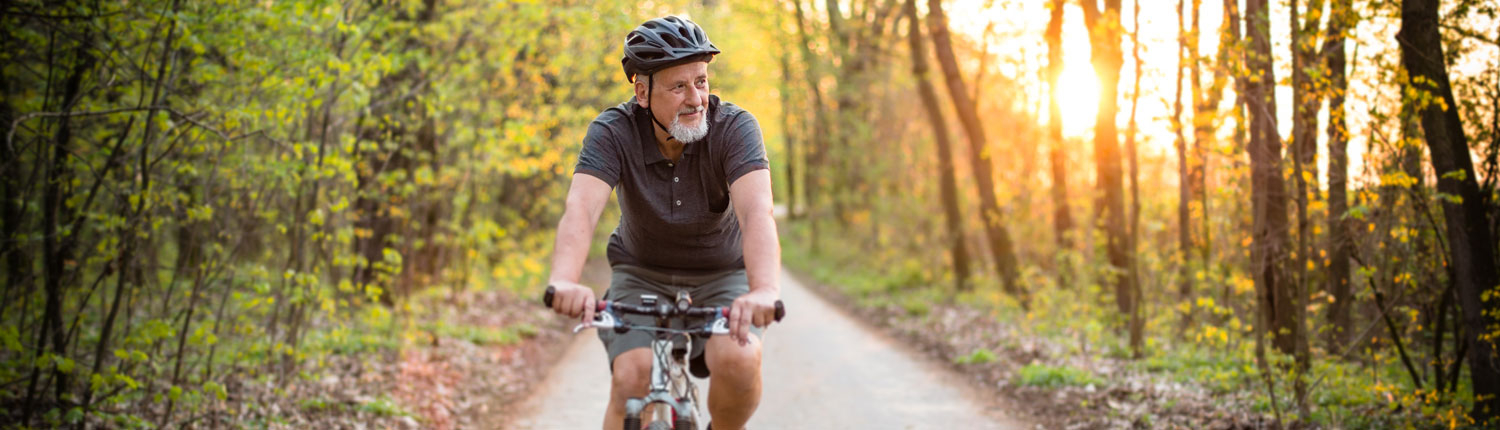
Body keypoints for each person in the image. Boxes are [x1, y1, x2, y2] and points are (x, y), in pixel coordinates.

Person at [544, 15, 781, 430]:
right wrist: (564, 279)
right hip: (641, 273)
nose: (696, 98)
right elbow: (581, 208)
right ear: (642, 92)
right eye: (679, 86)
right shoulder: (612, 131)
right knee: (632, 378)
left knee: (740, 360)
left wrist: (763, 290)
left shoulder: (734, 128)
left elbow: (756, 211)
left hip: (722, 273)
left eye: (702, 81)